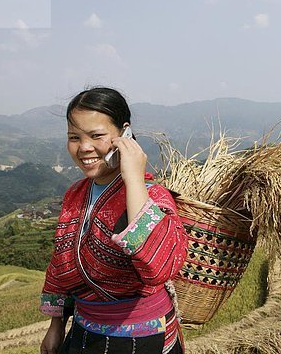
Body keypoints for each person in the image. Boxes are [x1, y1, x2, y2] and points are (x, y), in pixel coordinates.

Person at [39, 87, 188, 354]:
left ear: (124, 134)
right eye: (74, 137)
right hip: (85, 333)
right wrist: (56, 324)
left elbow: (158, 267)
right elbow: (61, 260)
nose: (84, 148)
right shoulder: (75, 194)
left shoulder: (152, 195)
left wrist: (133, 176)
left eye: (96, 136)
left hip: (143, 338)